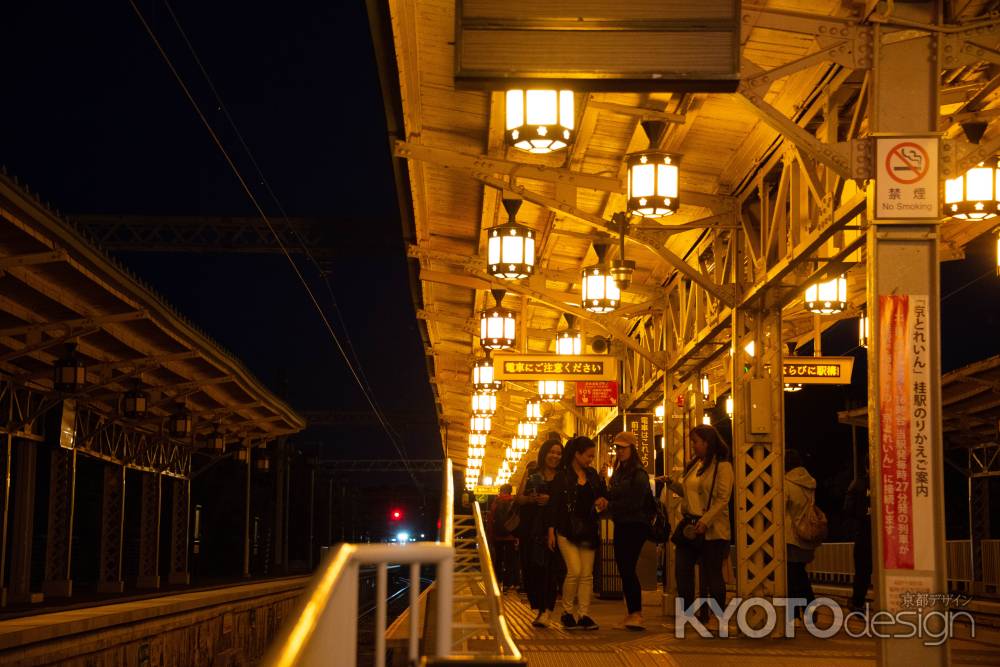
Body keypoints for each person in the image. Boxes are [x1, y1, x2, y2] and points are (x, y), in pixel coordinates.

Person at [660, 424, 733, 617]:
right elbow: (690, 493)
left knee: (712, 574)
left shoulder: (723, 467)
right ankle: (689, 612)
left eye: (695, 442)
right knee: (682, 570)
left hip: (712, 529)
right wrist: (672, 484)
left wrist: (706, 521)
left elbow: (723, 499)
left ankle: (716, 617)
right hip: (690, 526)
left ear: (707, 443)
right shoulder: (695, 465)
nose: (693, 446)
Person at [546, 436, 607, 630]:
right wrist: (551, 531)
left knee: (587, 574)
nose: (591, 459)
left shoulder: (593, 475)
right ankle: (567, 612)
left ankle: (584, 615)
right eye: (588, 455)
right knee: (574, 571)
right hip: (567, 530)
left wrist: (602, 501)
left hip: (588, 530)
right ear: (577, 454)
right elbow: (554, 506)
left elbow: (602, 496)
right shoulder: (562, 476)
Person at [606, 431, 654, 630]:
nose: (619, 451)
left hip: (636, 525)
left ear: (632, 449)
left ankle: (636, 613)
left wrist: (610, 507)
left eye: (623, 447)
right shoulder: (619, 472)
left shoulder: (638, 473)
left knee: (627, 567)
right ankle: (631, 612)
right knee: (624, 568)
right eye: (617, 447)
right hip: (622, 523)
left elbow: (635, 502)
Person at [520, 435, 563, 627]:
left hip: (554, 529)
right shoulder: (532, 473)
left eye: (558, 453)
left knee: (550, 570)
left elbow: (567, 502)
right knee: (532, 569)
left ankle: (547, 610)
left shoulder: (563, 476)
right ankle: (539, 609)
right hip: (532, 529)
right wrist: (532, 499)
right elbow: (518, 498)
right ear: (544, 453)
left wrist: (551, 501)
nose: (555, 456)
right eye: (552, 452)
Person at [785, 450, 820, 614]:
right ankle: (801, 611)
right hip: (807, 534)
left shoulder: (786, 484)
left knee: (792, 576)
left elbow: (780, 509)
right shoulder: (810, 483)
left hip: (791, 537)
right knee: (798, 573)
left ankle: (805, 610)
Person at [843, 471, 871, 611]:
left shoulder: (858, 484)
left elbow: (848, 508)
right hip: (889, 535)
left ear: (866, 467)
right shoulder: (890, 482)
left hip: (864, 533)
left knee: (862, 571)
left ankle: (857, 603)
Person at [487, 483, 518, 592]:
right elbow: (517, 520)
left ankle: (498, 581)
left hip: (498, 536)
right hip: (510, 536)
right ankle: (507, 584)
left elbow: (490, 520)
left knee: (498, 560)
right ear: (510, 491)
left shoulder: (495, 502)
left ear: (501, 491)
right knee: (510, 561)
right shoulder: (514, 502)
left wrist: (490, 536)